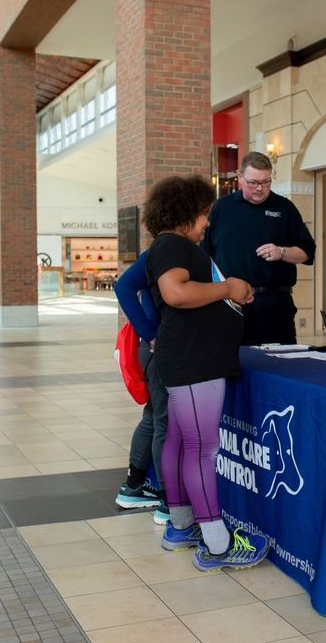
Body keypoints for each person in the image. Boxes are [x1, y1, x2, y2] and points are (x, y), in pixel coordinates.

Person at [144, 174, 270, 571]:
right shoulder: (173, 245)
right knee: (202, 450)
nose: (207, 222)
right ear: (184, 214)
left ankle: (181, 526)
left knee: (181, 444)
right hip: (194, 362)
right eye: (203, 214)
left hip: (189, 359)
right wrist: (229, 287)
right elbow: (177, 293)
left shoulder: (173, 246)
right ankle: (218, 545)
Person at [202, 151, 315, 345]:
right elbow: (205, 256)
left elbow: (307, 252)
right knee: (232, 364)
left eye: (266, 182)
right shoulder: (222, 208)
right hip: (231, 303)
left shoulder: (285, 208)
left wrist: (282, 252)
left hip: (274, 304)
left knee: (280, 364)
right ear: (240, 177)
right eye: (253, 182)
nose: (260, 188)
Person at [113, 249, 170, 523]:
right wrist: (150, 333)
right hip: (158, 348)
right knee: (163, 420)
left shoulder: (160, 253)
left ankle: (134, 485)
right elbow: (122, 286)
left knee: (153, 416)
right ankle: (168, 500)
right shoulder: (161, 253)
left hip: (152, 348)